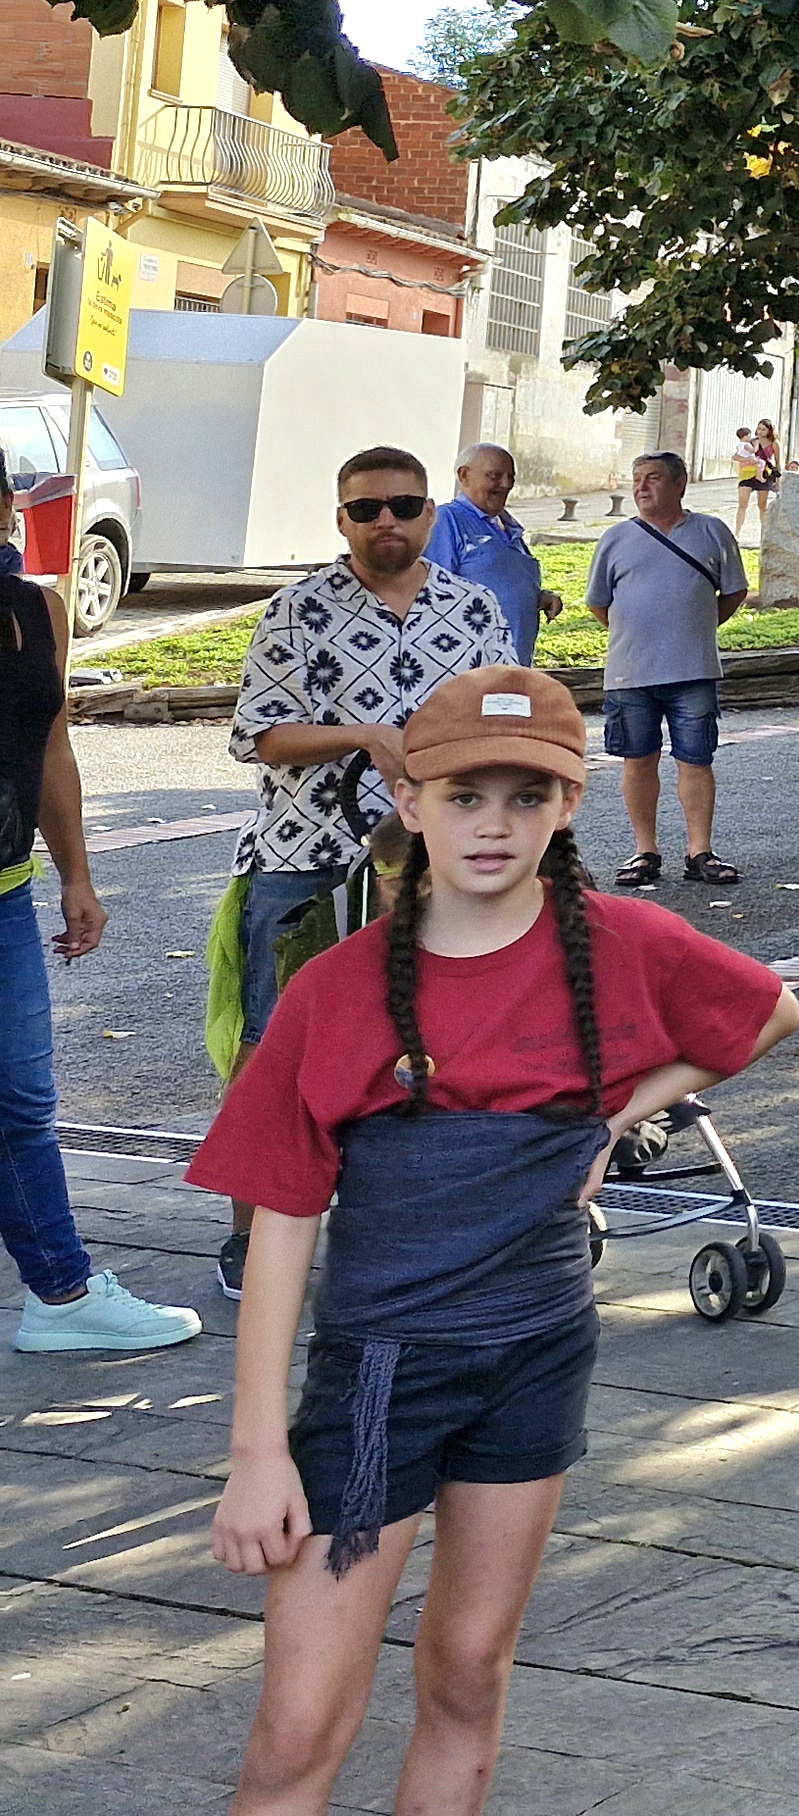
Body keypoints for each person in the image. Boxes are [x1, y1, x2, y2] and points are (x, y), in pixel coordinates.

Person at [189, 667, 798, 1816]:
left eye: (528, 795)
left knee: (469, 1671)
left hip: (536, 1359)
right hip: (378, 1384)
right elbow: (281, 1221)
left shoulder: (623, 940)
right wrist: (257, 1451)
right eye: (467, 794)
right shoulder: (341, 989)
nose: (494, 823)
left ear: (568, 805)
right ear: (411, 801)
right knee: (298, 1727)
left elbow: (766, 1010)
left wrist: (619, 1116)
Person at [222, 447, 518, 1298]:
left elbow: (506, 717)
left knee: (440, 1045)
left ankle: (429, 1226)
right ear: (340, 518)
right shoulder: (296, 611)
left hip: (439, 864)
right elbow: (260, 736)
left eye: (402, 504)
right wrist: (363, 735)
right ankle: (252, 1236)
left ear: (429, 512)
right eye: (365, 509)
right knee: (277, 1045)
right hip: (305, 861)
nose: (385, 520)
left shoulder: (473, 609)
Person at [6, 537, 201, 1354]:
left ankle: (61, 1294)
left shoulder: (36, 608)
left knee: (19, 1105)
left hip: (6, 893)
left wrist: (78, 877)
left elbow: (52, 748)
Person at [584, 452, 749, 892]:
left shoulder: (711, 531)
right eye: (636, 478)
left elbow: (734, 591)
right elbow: (600, 604)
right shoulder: (615, 539)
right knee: (638, 762)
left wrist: (695, 626)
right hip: (630, 673)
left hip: (693, 670)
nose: (641, 487)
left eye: (653, 478)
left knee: (695, 759)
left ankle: (700, 852)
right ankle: (645, 850)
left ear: (680, 483)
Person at [424, 446, 543, 664]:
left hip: (514, 664)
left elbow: (504, 579)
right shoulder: (448, 520)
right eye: (495, 476)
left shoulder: (507, 525)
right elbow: (431, 592)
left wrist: (539, 596)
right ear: (464, 476)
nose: (506, 485)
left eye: (511, 477)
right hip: (469, 668)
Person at [730, 422, 782, 538]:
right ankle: (737, 533)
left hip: (764, 473)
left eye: (763, 429)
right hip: (747, 474)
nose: (760, 432)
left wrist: (778, 480)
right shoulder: (751, 442)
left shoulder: (775, 443)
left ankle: (764, 533)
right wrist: (748, 459)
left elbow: (778, 463)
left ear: (770, 430)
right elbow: (735, 456)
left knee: (762, 505)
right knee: (742, 504)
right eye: (759, 429)